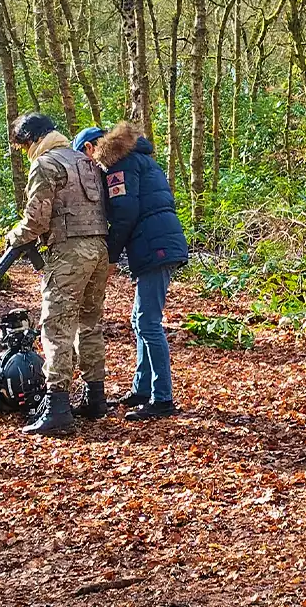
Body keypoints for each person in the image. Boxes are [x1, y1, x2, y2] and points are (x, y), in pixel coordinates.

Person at [73, 123, 188, 421]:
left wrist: (110, 257)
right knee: (139, 320)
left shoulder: (119, 164)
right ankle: (142, 388)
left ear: (90, 149)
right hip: (156, 242)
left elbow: (125, 213)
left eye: (87, 161)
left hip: (156, 245)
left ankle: (162, 398)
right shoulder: (136, 158)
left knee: (149, 322)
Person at [5, 113, 110, 437]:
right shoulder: (86, 161)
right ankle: (95, 396)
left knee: (56, 328)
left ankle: (57, 406)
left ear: (32, 139)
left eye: (24, 146)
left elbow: (36, 220)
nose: (25, 153)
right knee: (89, 324)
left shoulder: (46, 164)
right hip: (99, 249)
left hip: (68, 254)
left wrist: (14, 237)